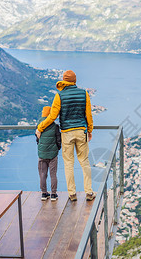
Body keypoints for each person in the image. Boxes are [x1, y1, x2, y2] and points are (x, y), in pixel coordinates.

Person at [36, 70, 96, 202]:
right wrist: (90, 130)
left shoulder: (59, 95)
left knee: (69, 163)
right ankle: (89, 192)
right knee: (84, 162)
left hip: (67, 133)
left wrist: (40, 127)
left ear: (64, 81)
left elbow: (52, 117)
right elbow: (89, 115)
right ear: (74, 80)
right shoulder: (84, 94)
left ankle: (72, 193)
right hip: (81, 131)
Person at [36, 106, 61, 201]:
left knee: (42, 174)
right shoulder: (54, 126)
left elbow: (37, 140)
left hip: (42, 154)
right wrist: (57, 149)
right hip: (53, 154)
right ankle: (53, 194)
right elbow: (58, 140)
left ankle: (44, 193)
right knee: (53, 174)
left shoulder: (38, 125)